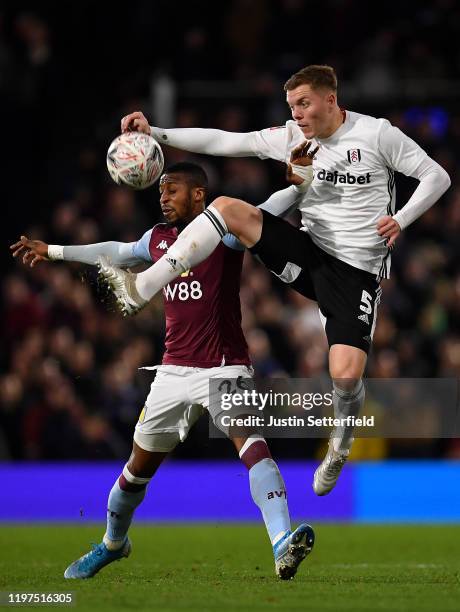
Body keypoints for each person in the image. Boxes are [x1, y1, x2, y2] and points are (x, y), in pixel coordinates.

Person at [103, 64, 451, 497]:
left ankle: (340, 444)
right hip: (306, 254)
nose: (298, 115)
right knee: (229, 208)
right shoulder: (292, 137)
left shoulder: (377, 135)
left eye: (304, 104)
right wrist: (156, 132)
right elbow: (226, 141)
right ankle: (148, 282)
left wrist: (400, 220)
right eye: (292, 107)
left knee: (344, 378)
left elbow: (438, 176)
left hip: (355, 274)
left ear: (330, 99)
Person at [10, 162, 315, 580]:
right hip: (171, 373)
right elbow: (115, 252)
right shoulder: (157, 240)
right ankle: (112, 544)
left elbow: (263, 210)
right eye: (160, 192)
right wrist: (55, 251)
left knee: (253, 446)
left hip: (224, 366)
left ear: (198, 195)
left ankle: (282, 543)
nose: (163, 197)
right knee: (136, 471)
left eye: (172, 190)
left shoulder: (223, 232)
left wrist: (299, 187)